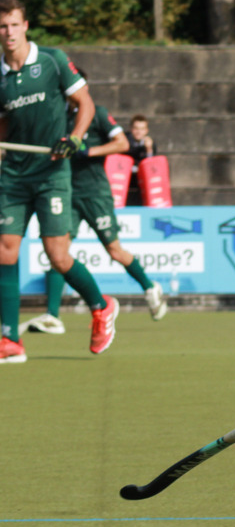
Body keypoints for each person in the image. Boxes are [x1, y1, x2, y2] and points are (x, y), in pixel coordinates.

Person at [0, 0, 118, 363]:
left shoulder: (51, 59)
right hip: (13, 176)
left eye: (14, 25)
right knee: (5, 249)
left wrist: (77, 138)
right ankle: (10, 340)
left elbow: (86, 104)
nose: (8, 33)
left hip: (52, 173)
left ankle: (101, 307)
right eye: (2, 27)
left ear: (25, 26)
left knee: (58, 256)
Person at [19, 74, 167, 336]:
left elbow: (122, 143)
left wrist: (88, 152)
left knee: (114, 250)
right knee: (59, 253)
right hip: (67, 193)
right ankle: (52, 316)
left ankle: (149, 287)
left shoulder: (97, 113)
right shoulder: (57, 117)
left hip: (96, 194)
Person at [125, 114, 155, 206]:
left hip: (141, 183)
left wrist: (149, 150)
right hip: (126, 181)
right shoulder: (124, 141)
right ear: (131, 129)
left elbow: (152, 167)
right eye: (136, 128)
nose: (139, 132)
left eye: (142, 129)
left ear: (146, 131)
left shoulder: (150, 144)